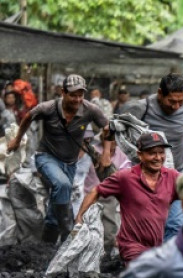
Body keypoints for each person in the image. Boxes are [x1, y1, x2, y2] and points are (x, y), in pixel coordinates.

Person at [104, 74, 183, 240]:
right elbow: (113, 128)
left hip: (176, 173)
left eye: (180, 101)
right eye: (172, 101)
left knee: (176, 224)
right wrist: (107, 153)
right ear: (160, 93)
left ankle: (165, 255)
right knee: (148, 223)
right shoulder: (142, 107)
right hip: (148, 177)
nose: (176, 106)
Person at [6, 74, 109, 243]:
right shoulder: (48, 108)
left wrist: (105, 154)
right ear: (63, 92)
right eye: (73, 95)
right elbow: (28, 117)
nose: (77, 99)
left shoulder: (90, 110)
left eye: (80, 95)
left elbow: (108, 128)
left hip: (70, 163)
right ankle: (68, 230)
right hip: (46, 157)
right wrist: (17, 140)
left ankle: (48, 241)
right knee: (63, 185)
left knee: (60, 195)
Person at [74, 132, 179, 263]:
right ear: (140, 155)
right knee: (141, 269)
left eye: (161, 153)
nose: (158, 157)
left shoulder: (172, 177)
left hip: (156, 248)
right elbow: (96, 190)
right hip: (131, 246)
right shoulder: (125, 177)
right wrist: (80, 216)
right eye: (152, 153)